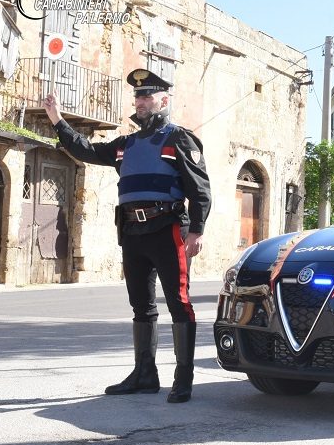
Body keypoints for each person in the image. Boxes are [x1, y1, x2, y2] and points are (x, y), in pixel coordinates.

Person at [42, 68, 211, 404]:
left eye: (147, 95)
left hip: (168, 230)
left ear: (164, 100)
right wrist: (57, 120)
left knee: (178, 302)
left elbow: (200, 189)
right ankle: (144, 375)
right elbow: (87, 150)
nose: (140, 101)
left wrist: (197, 230)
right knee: (141, 306)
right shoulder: (126, 144)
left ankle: (184, 379)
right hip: (133, 232)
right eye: (137, 96)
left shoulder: (179, 138)